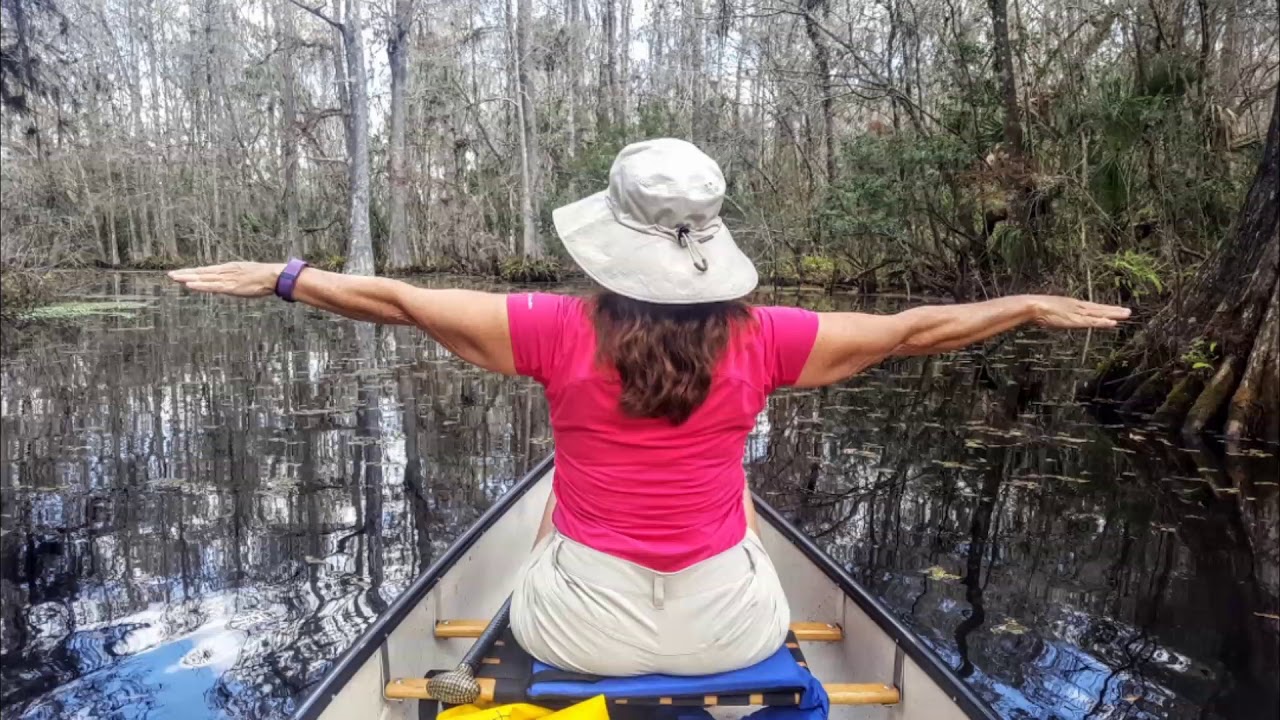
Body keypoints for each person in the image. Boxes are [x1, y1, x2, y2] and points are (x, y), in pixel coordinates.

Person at [169, 138, 1128, 678]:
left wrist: (285, 276)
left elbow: (394, 301)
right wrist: (1022, 304)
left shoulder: (549, 329)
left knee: (555, 513)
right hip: (735, 628)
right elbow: (914, 331)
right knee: (737, 500)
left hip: (576, 631)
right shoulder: (768, 337)